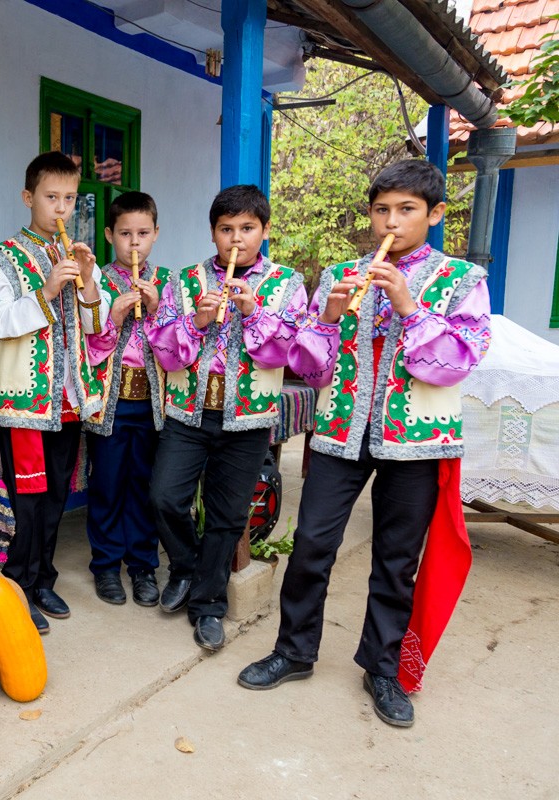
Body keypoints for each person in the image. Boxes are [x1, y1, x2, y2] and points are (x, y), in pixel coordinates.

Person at [237, 160, 492, 729]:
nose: (391, 224)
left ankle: (381, 668)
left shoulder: (461, 281)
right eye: (382, 211)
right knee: (311, 545)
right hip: (339, 430)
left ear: (435, 215)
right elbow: (310, 363)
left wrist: (407, 305)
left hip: (417, 442)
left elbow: (457, 362)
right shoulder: (337, 275)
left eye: (406, 211)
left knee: (396, 561)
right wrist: (328, 316)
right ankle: (294, 651)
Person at [146, 184, 306, 651]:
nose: (236, 240)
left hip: (248, 419)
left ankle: (207, 604)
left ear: (265, 230)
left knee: (227, 515)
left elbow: (292, 350)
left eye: (247, 229)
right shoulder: (184, 280)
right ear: (213, 232)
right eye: (226, 229)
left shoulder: (286, 284)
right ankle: (184, 566)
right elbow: (163, 346)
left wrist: (253, 312)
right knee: (164, 498)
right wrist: (196, 321)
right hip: (188, 414)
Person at [0, 151, 110, 634]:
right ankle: (18, 586)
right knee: (27, 498)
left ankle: (44, 580)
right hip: (26, 399)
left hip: (69, 399)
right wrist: (47, 291)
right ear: (28, 197)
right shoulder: (6, 255)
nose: (60, 208)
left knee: (56, 494)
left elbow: (98, 327)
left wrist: (90, 281)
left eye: (69, 198)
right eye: (51, 197)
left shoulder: (74, 254)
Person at [83, 191, 167, 607]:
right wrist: (113, 318)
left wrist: (155, 312)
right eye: (125, 234)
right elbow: (88, 349)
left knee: (144, 485)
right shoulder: (96, 281)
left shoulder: (168, 284)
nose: (134, 243)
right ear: (109, 235)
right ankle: (105, 565)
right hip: (109, 404)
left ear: (155, 234)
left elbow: (176, 349)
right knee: (108, 484)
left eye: (143, 233)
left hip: (153, 403)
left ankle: (143, 566)